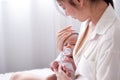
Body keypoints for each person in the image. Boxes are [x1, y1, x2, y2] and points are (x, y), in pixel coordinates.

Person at [54, 0, 120, 80]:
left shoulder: (112, 39)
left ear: (78, 1)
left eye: (64, 7)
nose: (66, 14)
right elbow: (84, 70)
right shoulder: (87, 23)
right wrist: (64, 55)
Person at [10, 26, 78, 80]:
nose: (68, 46)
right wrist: (54, 65)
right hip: (60, 74)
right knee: (50, 77)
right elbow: (55, 64)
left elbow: (79, 70)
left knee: (16, 77)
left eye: (73, 44)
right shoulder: (62, 55)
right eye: (65, 45)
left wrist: (72, 62)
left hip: (70, 76)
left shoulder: (77, 56)